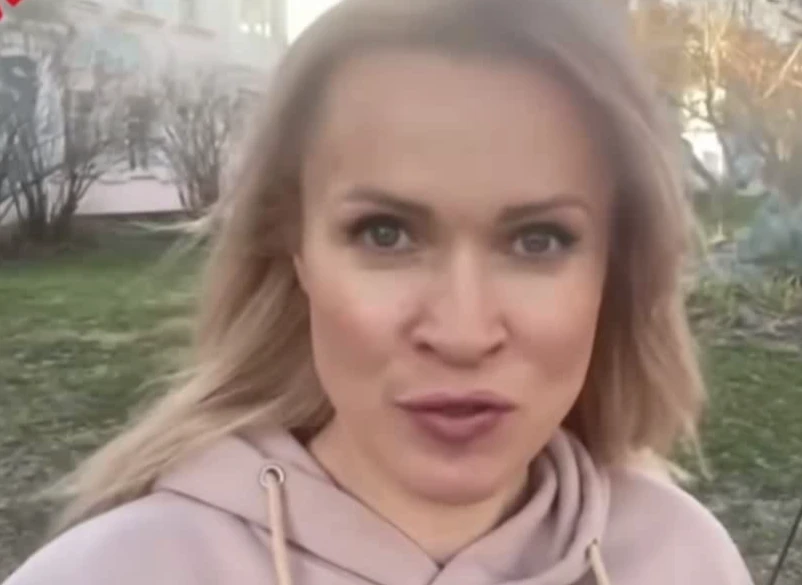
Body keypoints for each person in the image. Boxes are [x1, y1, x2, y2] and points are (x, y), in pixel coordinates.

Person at [4, 0, 753, 584]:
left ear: (615, 266)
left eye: (538, 241)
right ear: (294, 246)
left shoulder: (685, 560)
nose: (462, 332)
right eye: (386, 234)